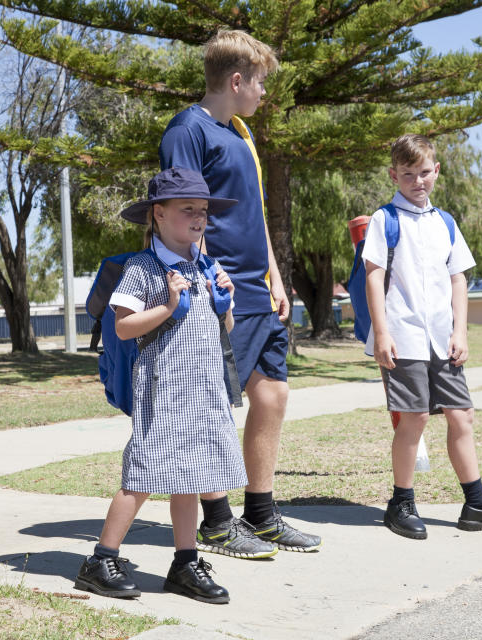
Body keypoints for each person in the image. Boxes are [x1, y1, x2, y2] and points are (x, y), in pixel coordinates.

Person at [158, 30, 322, 559]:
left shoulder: (242, 132)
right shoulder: (188, 131)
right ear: (235, 80)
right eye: (259, 83)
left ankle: (262, 513)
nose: (263, 93)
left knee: (271, 395)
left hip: (259, 289)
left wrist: (276, 275)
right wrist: (207, 282)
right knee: (213, 406)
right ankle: (217, 521)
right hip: (219, 291)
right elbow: (179, 217)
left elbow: (253, 214)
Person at [74, 167, 252, 604]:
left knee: (189, 476)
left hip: (204, 391)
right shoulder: (143, 268)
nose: (198, 218)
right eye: (187, 209)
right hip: (164, 389)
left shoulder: (205, 266)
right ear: (158, 214)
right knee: (143, 473)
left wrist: (226, 305)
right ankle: (101, 558)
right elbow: (123, 326)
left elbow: (221, 326)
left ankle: (185, 562)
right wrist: (170, 306)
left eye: (204, 211)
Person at [363, 133, 482, 540]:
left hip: (443, 337)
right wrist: (381, 332)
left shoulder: (445, 222)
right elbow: (374, 275)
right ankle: (401, 503)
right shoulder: (386, 220)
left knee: (462, 415)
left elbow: (458, 279)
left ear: (436, 171)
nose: (417, 181)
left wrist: (461, 330)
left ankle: (477, 505)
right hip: (403, 336)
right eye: (407, 175)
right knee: (414, 418)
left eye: (424, 173)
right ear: (393, 175)